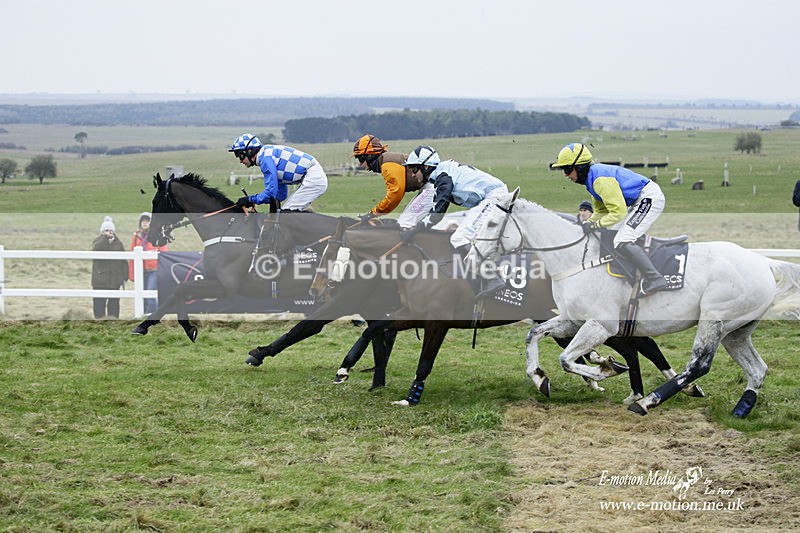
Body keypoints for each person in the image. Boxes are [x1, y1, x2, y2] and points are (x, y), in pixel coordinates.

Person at [551, 142, 668, 296]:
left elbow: (618, 213)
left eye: (567, 169)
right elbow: (601, 211)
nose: (566, 175)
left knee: (622, 240)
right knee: (611, 234)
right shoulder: (591, 180)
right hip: (637, 200)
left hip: (649, 198)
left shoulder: (600, 181)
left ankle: (655, 278)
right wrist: (587, 223)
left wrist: (594, 225)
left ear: (579, 167)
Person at [401, 145, 508, 296]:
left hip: (494, 197)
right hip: (489, 198)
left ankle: (491, 277)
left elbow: (438, 212)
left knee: (460, 237)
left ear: (425, 167)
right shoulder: (440, 175)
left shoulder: (443, 176)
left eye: (413, 169)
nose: (412, 175)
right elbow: (432, 207)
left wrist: (416, 228)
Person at [229, 133, 328, 212]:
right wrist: (255, 200)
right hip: (313, 176)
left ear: (250, 151)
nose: (240, 161)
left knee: (286, 216)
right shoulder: (266, 155)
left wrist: (250, 199)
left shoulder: (265, 159)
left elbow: (271, 193)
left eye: (241, 156)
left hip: (313, 178)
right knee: (284, 214)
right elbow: (281, 194)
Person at [350, 134, 430, 226]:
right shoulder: (385, 160)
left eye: (360, 159)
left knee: (404, 224)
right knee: (409, 223)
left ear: (369, 156)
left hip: (430, 187)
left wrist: (373, 213)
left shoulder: (387, 165)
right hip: (428, 187)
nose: (361, 165)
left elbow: (395, 194)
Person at [128, 212, 168, 315]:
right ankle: (144, 315)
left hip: (154, 270)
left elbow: (164, 253)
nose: (145, 223)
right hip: (141, 271)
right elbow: (132, 255)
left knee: (150, 294)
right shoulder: (136, 237)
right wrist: (132, 274)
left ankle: (154, 316)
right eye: (143, 221)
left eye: (147, 221)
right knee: (143, 295)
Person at [91, 216, 128, 319]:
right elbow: (96, 251)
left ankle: (113, 321)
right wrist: (104, 238)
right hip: (100, 279)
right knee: (99, 303)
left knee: (114, 303)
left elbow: (124, 260)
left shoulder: (118, 243)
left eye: (111, 230)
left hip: (115, 279)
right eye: (106, 230)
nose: (109, 232)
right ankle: (99, 321)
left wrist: (124, 276)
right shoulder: (98, 242)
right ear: (102, 232)